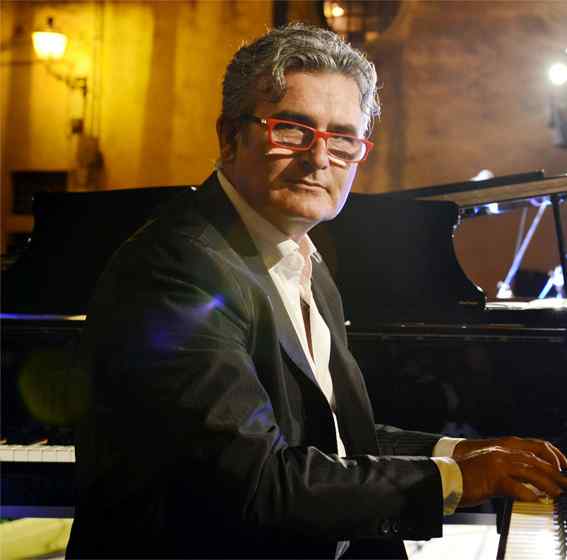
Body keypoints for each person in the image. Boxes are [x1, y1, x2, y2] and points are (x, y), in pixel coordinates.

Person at [66, 23, 567, 559]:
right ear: (230, 137)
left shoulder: (303, 258)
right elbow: (256, 482)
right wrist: (457, 480)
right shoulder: (177, 268)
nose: (320, 158)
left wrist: (460, 451)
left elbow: (331, 435)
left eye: (343, 138)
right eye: (292, 129)